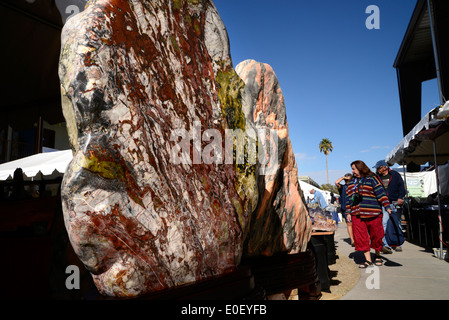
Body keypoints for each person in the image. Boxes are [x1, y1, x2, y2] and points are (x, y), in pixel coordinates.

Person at [345, 160, 392, 268]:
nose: (352, 171)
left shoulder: (372, 179)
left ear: (360, 168)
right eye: (352, 169)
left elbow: (381, 193)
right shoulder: (352, 182)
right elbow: (348, 199)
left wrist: (387, 207)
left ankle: (377, 255)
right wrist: (348, 212)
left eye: (354, 168)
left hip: (374, 213)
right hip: (357, 214)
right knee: (361, 237)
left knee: (377, 236)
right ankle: (368, 260)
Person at [373, 160, 406, 252]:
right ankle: (386, 245)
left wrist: (400, 197)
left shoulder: (395, 175)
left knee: (397, 222)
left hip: (395, 202)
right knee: (384, 222)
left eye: (378, 168)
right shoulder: (377, 177)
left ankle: (398, 243)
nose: (377, 170)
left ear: (384, 167)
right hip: (384, 203)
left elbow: (402, 188)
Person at [335, 173, 355, 246]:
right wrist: (343, 177)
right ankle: (352, 240)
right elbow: (336, 182)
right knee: (349, 224)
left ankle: (358, 239)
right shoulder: (342, 187)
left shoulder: (354, 186)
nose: (347, 178)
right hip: (345, 208)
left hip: (354, 207)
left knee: (356, 224)